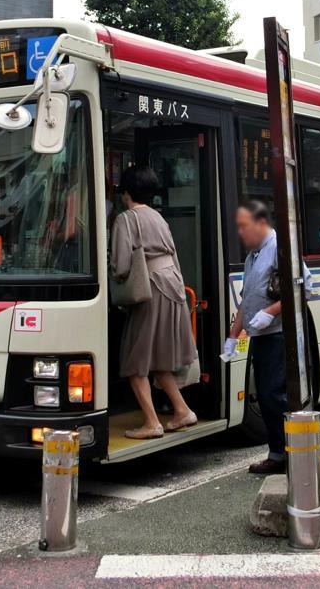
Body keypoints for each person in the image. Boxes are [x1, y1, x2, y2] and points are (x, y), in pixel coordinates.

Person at [110, 166, 197, 440]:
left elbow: (121, 265)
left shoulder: (126, 218)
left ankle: (151, 422)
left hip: (151, 289)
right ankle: (182, 410)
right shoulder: (159, 218)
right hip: (172, 286)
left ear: (125, 193)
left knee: (134, 361)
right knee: (158, 359)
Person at [226, 200, 290, 475]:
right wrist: (233, 336)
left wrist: (271, 311)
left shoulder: (280, 248)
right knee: (265, 396)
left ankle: (285, 455)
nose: (240, 233)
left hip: (277, 333)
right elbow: (245, 301)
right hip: (259, 335)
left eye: (244, 226)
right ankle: (278, 453)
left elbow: (302, 288)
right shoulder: (254, 256)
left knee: (273, 395)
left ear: (261, 224)